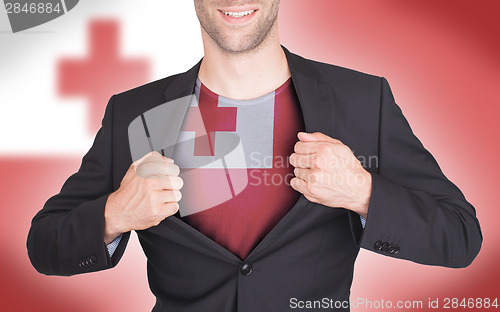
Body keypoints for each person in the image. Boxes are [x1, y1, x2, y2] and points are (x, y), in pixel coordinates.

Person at [27, 1, 482, 311]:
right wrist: (114, 214)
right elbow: (44, 245)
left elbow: (460, 236)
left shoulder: (362, 100)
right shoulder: (135, 112)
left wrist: (363, 192)